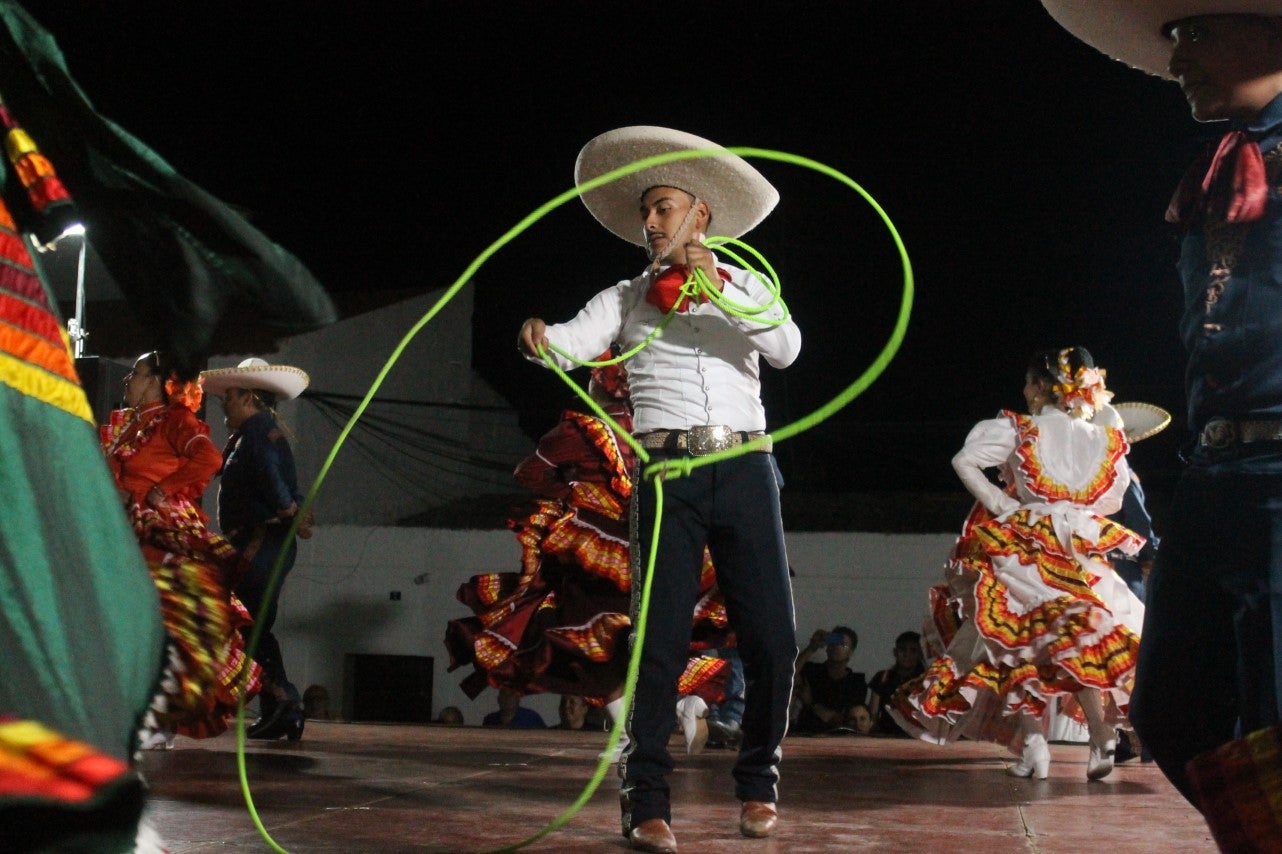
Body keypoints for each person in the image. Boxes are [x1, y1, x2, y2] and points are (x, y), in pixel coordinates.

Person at [518, 125, 800, 851]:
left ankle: (759, 783)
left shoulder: (747, 285)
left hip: (746, 466)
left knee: (773, 638)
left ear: (700, 214)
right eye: (647, 211)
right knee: (659, 642)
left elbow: (786, 347)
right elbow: (572, 345)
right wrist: (542, 337)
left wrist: (722, 288)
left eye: (663, 207)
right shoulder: (625, 297)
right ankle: (645, 799)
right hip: (668, 474)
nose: (649, 221)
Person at [1037, 5, 1282, 840]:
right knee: (1172, 712)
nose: (1177, 60)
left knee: (1273, 713)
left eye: (1196, 34)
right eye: (1172, 40)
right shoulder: (1220, 168)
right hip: (1217, 472)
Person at [443, 355, 734, 762]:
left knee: (583, 644)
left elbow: (529, 473)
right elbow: (712, 461)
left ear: (599, 386)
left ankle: (633, 734)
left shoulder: (581, 431)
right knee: (650, 635)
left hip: (598, 552)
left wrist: (573, 490)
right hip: (657, 544)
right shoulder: (663, 427)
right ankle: (684, 702)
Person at [891, 348, 1145, 781]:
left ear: (1042, 386)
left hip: (1026, 540)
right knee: (1080, 637)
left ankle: (1034, 746)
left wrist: (1003, 503)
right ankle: (1100, 735)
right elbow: (1113, 498)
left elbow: (964, 461)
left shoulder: (1021, 428)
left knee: (1012, 642)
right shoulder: (1099, 437)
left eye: (1029, 383)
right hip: (1078, 542)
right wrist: (1072, 507)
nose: (1025, 391)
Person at [100, 350, 262, 743]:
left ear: (156, 382)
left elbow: (208, 458)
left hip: (157, 534)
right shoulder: (130, 425)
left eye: (136, 374)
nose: (127, 381)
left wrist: (164, 488)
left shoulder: (174, 420)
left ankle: (161, 720)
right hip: (124, 536)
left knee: (164, 625)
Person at [200, 357, 314, 742]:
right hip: (257, 540)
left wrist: (288, 510)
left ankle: (285, 700)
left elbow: (272, 477)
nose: (225, 403)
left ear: (249, 397)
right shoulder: (254, 434)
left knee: (247, 621)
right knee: (252, 622)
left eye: (230, 396)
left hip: (261, 540)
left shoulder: (259, 434)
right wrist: (295, 509)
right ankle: (278, 707)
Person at [791, 627, 869, 735]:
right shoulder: (812, 670)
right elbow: (787, 676)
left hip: (839, 738)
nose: (836, 647)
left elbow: (843, 720)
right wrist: (812, 648)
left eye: (843, 644)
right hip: (805, 732)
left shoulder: (856, 683)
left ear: (850, 652)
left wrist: (811, 703)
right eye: (834, 641)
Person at [867, 631, 925, 737]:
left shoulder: (926, 680)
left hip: (916, 737)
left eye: (913, 651)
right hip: (886, 735)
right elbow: (873, 714)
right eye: (902, 649)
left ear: (920, 654)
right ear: (895, 652)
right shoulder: (882, 677)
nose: (907, 655)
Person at [483, 687, 547, 729]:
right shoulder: (490, 720)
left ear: (518, 698)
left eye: (511, 695)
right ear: (498, 699)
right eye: (504, 695)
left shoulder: (531, 717)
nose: (507, 698)